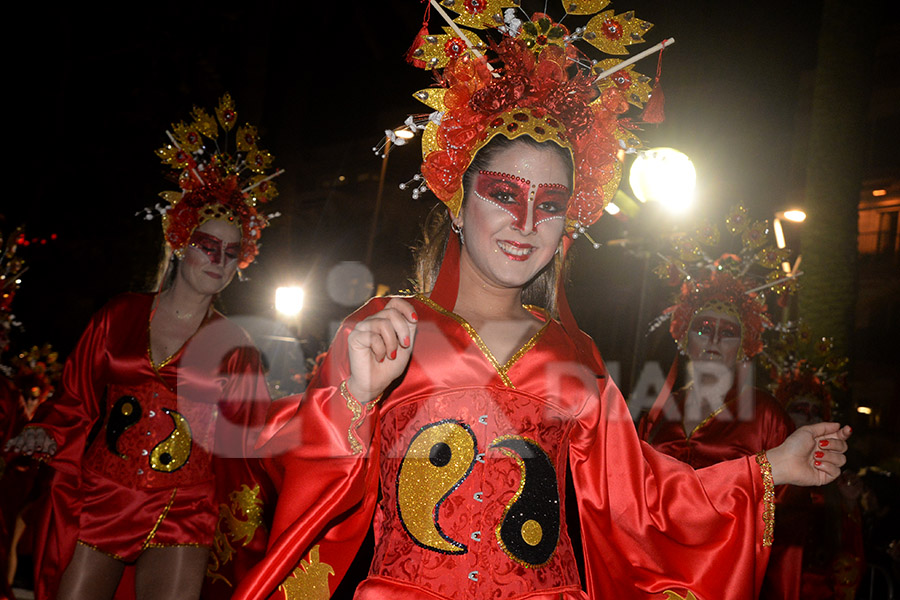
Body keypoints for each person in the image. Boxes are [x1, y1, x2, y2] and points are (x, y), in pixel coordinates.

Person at [234, 8, 850, 600]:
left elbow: (642, 499)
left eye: (550, 204)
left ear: (568, 225)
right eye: (504, 194)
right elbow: (277, 475)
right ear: (456, 200)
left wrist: (768, 469)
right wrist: (353, 403)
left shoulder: (574, 355)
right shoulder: (385, 329)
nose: (526, 223)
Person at [4, 94, 278, 600]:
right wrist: (46, 430)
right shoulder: (119, 314)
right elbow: (76, 399)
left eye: (232, 252)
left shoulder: (236, 347)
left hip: (186, 505)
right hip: (104, 495)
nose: (219, 260)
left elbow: (252, 438)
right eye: (208, 246)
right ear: (179, 243)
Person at [637, 240, 806, 599]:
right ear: (683, 337)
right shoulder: (657, 410)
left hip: (724, 575)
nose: (713, 338)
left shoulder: (766, 415)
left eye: (728, 332)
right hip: (655, 575)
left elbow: (788, 516)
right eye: (703, 328)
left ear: (745, 346)